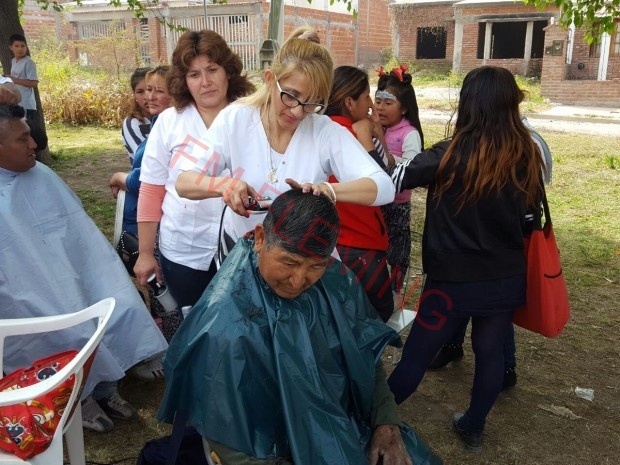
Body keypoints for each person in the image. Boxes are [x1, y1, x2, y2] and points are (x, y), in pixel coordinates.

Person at [157, 189, 443, 465]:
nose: (297, 281)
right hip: (269, 447)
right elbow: (227, 435)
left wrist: (386, 421)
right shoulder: (224, 324)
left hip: (341, 424)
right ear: (260, 239)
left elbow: (366, 357)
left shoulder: (337, 282)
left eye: (315, 266)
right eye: (288, 263)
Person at [386, 66, 546, 452]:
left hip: (451, 283)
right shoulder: (526, 154)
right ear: (509, 104)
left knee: (417, 354)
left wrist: (371, 138)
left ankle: (373, 419)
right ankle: (474, 426)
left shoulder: (448, 153)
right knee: (491, 354)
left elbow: (395, 179)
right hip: (504, 279)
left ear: (468, 103)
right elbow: (530, 221)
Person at [0, 104, 168, 433]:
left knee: (117, 304)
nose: (34, 144)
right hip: (25, 293)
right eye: (23, 139)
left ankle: (106, 387)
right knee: (68, 329)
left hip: (75, 271)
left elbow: (81, 238)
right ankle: (78, 397)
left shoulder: (41, 175)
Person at [175, 26, 395, 252]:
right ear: (270, 80)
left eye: (312, 102)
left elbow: (384, 187)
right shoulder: (236, 119)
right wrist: (223, 185)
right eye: (291, 96)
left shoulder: (323, 131)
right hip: (243, 252)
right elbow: (183, 181)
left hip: (299, 259)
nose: (298, 112)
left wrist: (329, 191)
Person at [425, 113, 554, 390]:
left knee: (494, 313)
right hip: (477, 246)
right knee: (470, 299)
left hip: (500, 249)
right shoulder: (479, 141)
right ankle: (453, 346)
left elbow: (529, 206)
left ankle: (506, 367)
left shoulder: (524, 144)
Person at [134, 30, 255, 310]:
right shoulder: (169, 122)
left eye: (212, 69)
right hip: (184, 250)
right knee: (193, 323)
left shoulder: (252, 117)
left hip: (243, 248)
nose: (205, 82)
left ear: (228, 71)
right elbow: (151, 189)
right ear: (183, 81)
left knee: (241, 322)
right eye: (194, 74)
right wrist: (145, 253)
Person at [109, 66, 178, 341]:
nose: (150, 96)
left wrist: (118, 177)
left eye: (159, 90)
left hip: (157, 224)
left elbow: (145, 181)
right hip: (147, 220)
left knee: (164, 291)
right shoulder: (156, 126)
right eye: (147, 90)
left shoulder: (166, 131)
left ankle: (172, 344)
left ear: (176, 94)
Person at [324, 65, 394, 321]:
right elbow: (383, 183)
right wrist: (367, 137)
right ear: (349, 102)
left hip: (339, 239)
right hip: (359, 241)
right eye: (366, 97)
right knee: (377, 311)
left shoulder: (324, 129)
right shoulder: (347, 135)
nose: (371, 106)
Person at [374, 64, 424, 309]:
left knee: (397, 251)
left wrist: (383, 148)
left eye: (388, 102)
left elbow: (412, 168)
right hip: (375, 201)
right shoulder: (376, 127)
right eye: (377, 101)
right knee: (376, 247)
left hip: (397, 205)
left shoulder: (408, 133)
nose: (380, 107)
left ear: (404, 108)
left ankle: (395, 294)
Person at [7, 33, 47, 151]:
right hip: (17, 103)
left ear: (26, 47)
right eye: (17, 46)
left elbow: (33, 83)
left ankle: (34, 157)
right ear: (11, 47)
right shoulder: (13, 61)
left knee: (29, 134)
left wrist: (14, 79)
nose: (20, 49)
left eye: (22, 46)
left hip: (27, 104)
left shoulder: (29, 62)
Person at [122, 67, 151, 163]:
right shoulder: (132, 123)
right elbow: (144, 158)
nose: (147, 97)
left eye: (150, 89)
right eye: (140, 92)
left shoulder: (170, 119)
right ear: (134, 96)